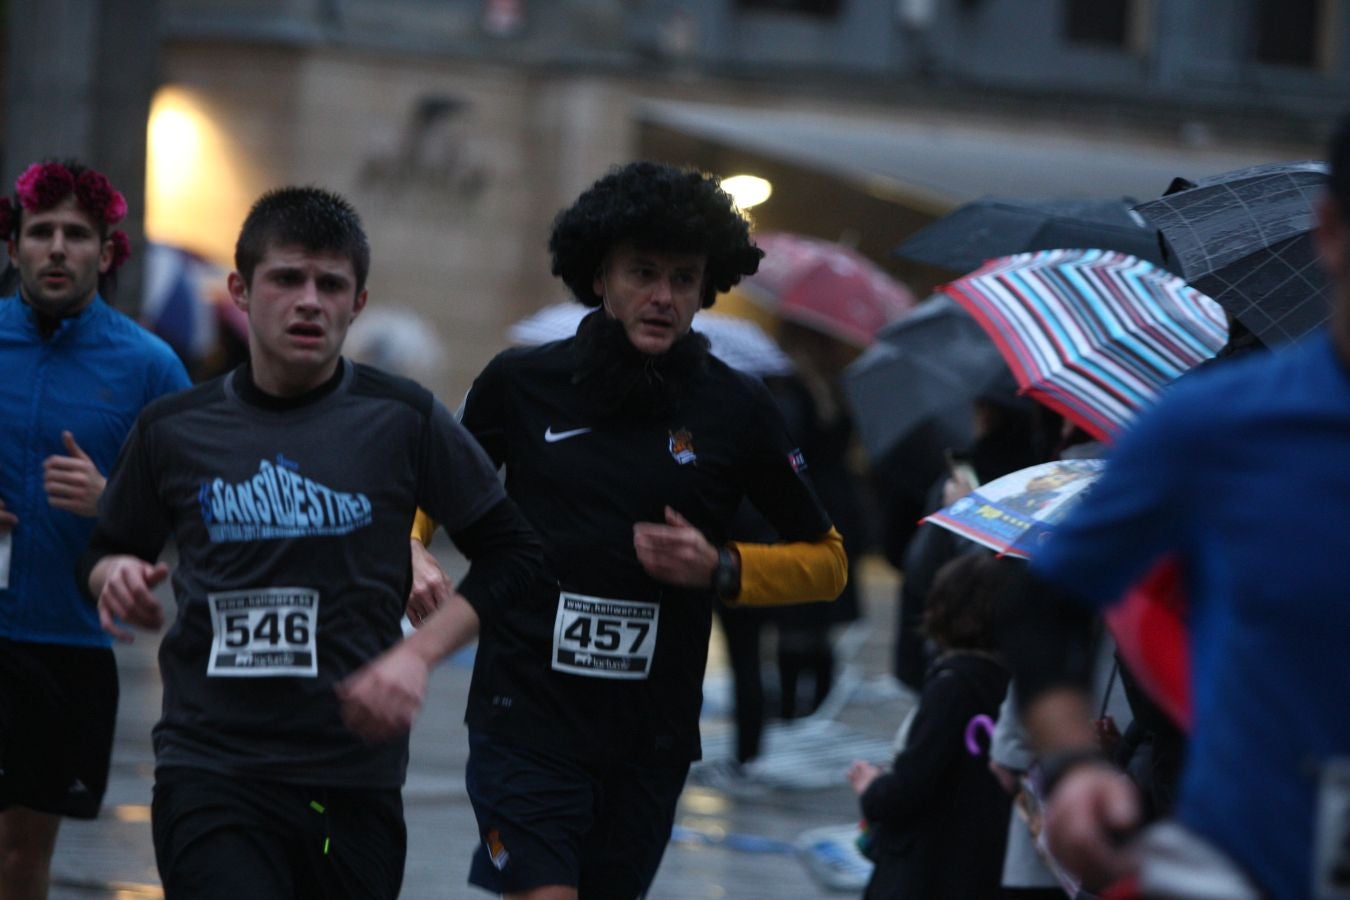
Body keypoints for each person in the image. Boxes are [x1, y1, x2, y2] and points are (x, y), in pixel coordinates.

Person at [78, 186, 544, 899]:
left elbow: (516, 553)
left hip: (350, 776)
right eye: (287, 278)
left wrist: (416, 658)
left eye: (331, 285)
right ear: (240, 290)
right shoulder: (176, 427)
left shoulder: (403, 419)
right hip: (211, 769)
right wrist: (111, 572)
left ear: (358, 303)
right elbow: (106, 545)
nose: (309, 301)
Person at [405, 160, 847, 898]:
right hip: (525, 717)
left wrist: (723, 567)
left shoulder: (736, 409)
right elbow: (430, 487)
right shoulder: (522, 382)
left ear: (708, 286)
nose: (663, 296)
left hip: (650, 733)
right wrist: (410, 550)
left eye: (683, 278)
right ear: (600, 275)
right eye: (643, 272)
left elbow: (829, 562)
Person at [1000, 115, 1350, 899]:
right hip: (1230, 864)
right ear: (1331, 233)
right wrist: (1075, 765)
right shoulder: (1214, 426)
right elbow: (1042, 602)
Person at [0, 158, 190, 898]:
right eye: (39, 231)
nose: (55, 248)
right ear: (13, 247)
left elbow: (202, 506)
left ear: (107, 252)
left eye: (76, 234)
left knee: (20, 855)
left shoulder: (151, 366)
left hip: (65, 644)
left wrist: (113, 499)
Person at [847, 552, 1013, 899]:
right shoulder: (1009, 682)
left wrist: (872, 788)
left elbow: (911, 785)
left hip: (928, 869)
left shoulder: (952, 686)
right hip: (979, 865)